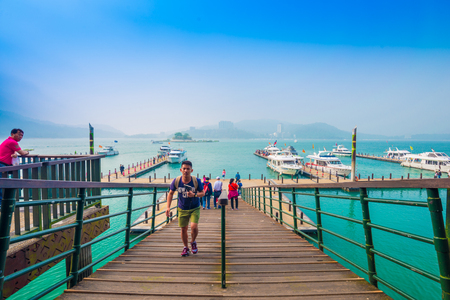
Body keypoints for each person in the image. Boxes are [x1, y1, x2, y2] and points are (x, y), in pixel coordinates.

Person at [166, 161, 205, 257]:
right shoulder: (177, 181)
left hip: (194, 207)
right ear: (181, 170)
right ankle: (185, 247)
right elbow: (170, 193)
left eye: (188, 169)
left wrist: (194, 194)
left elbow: (203, 193)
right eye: (184, 168)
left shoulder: (196, 181)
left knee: (193, 227)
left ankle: (193, 241)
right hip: (182, 208)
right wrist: (168, 207)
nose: (186, 170)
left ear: (191, 170)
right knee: (183, 229)